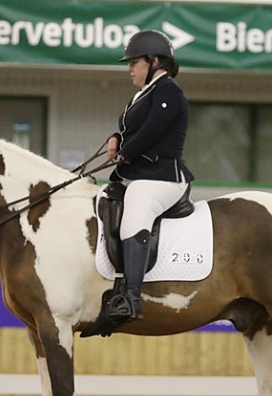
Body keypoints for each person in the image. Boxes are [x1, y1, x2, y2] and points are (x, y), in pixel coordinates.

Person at [105, 29, 195, 325]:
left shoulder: (168, 90)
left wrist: (127, 151)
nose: (130, 69)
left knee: (135, 212)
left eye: (134, 63)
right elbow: (134, 129)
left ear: (155, 61)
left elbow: (153, 129)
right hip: (140, 173)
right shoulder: (143, 93)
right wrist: (117, 138)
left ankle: (131, 297)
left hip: (163, 176)